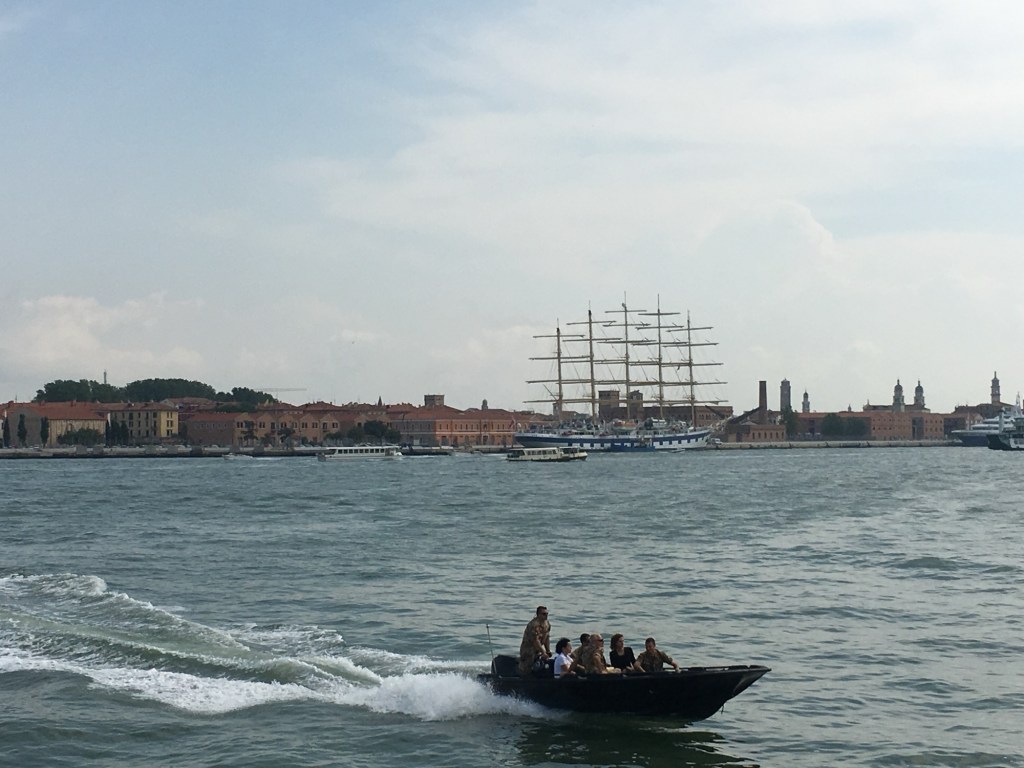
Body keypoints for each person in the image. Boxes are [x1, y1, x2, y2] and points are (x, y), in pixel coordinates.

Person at [518, 605, 552, 675]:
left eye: (547, 614)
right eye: (543, 614)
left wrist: (548, 650)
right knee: (527, 666)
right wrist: (543, 652)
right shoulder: (534, 625)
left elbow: (547, 637)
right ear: (538, 614)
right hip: (528, 649)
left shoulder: (547, 623)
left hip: (538, 649)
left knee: (540, 664)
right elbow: (535, 641)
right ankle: (523, 675)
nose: (546, 616)